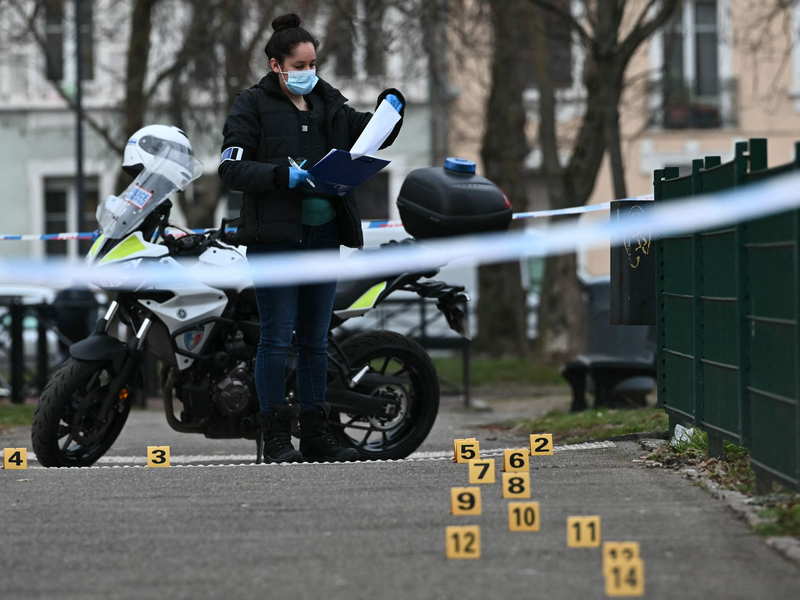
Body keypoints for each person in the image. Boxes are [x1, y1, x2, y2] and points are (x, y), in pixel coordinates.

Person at [218, 13, 405, 463]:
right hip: (275, 242)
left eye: (313, 63)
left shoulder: (327, 101)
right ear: (276, 64)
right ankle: (276, 438)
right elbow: (231, 168)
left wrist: (391, 107)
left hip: (323, 236)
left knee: (315, 341)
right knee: (277, 338)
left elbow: (368, 134)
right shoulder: (251, 104)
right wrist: (284, 175)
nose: (308, 73)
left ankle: (318, 434)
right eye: (299, 65)